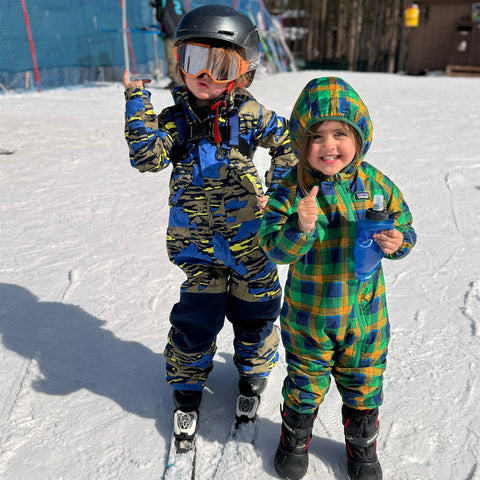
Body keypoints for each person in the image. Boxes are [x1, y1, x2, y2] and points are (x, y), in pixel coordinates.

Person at [123, 4, 297, 452]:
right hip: (198, 251)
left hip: (251, 245)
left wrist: (278, 193)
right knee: (194, 323)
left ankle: (252, 378)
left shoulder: (251, 114)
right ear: (179, 62)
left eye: (219, 65)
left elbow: (289, 145)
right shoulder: (174, 119)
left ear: (243, 73)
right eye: (193, 60)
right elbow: (148, 158)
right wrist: (137, 101)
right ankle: (186, 386)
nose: (203, 75)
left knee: (256, 319)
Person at [258, 77, 416, 480]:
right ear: (301, 143)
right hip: (310, 314)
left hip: (365, 316)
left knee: (364, 381)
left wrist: (398, 240)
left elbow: (406, 227)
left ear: (359, 138)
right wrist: (300, 226)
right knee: (305, 381)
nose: (329, 146)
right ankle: (295, 435)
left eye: (340, 134)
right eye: (317, 137)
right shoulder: (292, 189)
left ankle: (361, 445)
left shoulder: (375, 184)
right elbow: (273, 248)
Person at [151, 0, 185, 89]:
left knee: (171, 58)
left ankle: (177, 81)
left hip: (171, 32)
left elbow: (159, 16)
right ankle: (179, 80)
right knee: (180, 57)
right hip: (181, 30)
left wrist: (156, 5)